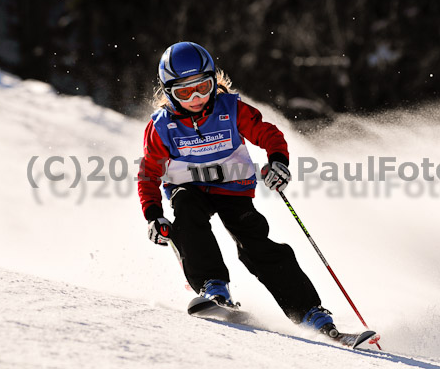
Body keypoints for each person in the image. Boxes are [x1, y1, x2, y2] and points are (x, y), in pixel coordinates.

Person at [137, 41, 338, 337]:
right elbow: (148, 174)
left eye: (203, 88)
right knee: (188, 217)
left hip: (233, 189)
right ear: (169, 92)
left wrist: (278, 161)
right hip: (189, 189)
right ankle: (213, 286)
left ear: (212, 82)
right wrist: (153, 214)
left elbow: (267, 133)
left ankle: (308, 310)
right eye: (184, 92)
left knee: (255, 244)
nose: (195, 98)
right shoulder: (162, 127)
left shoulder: (230, 108)